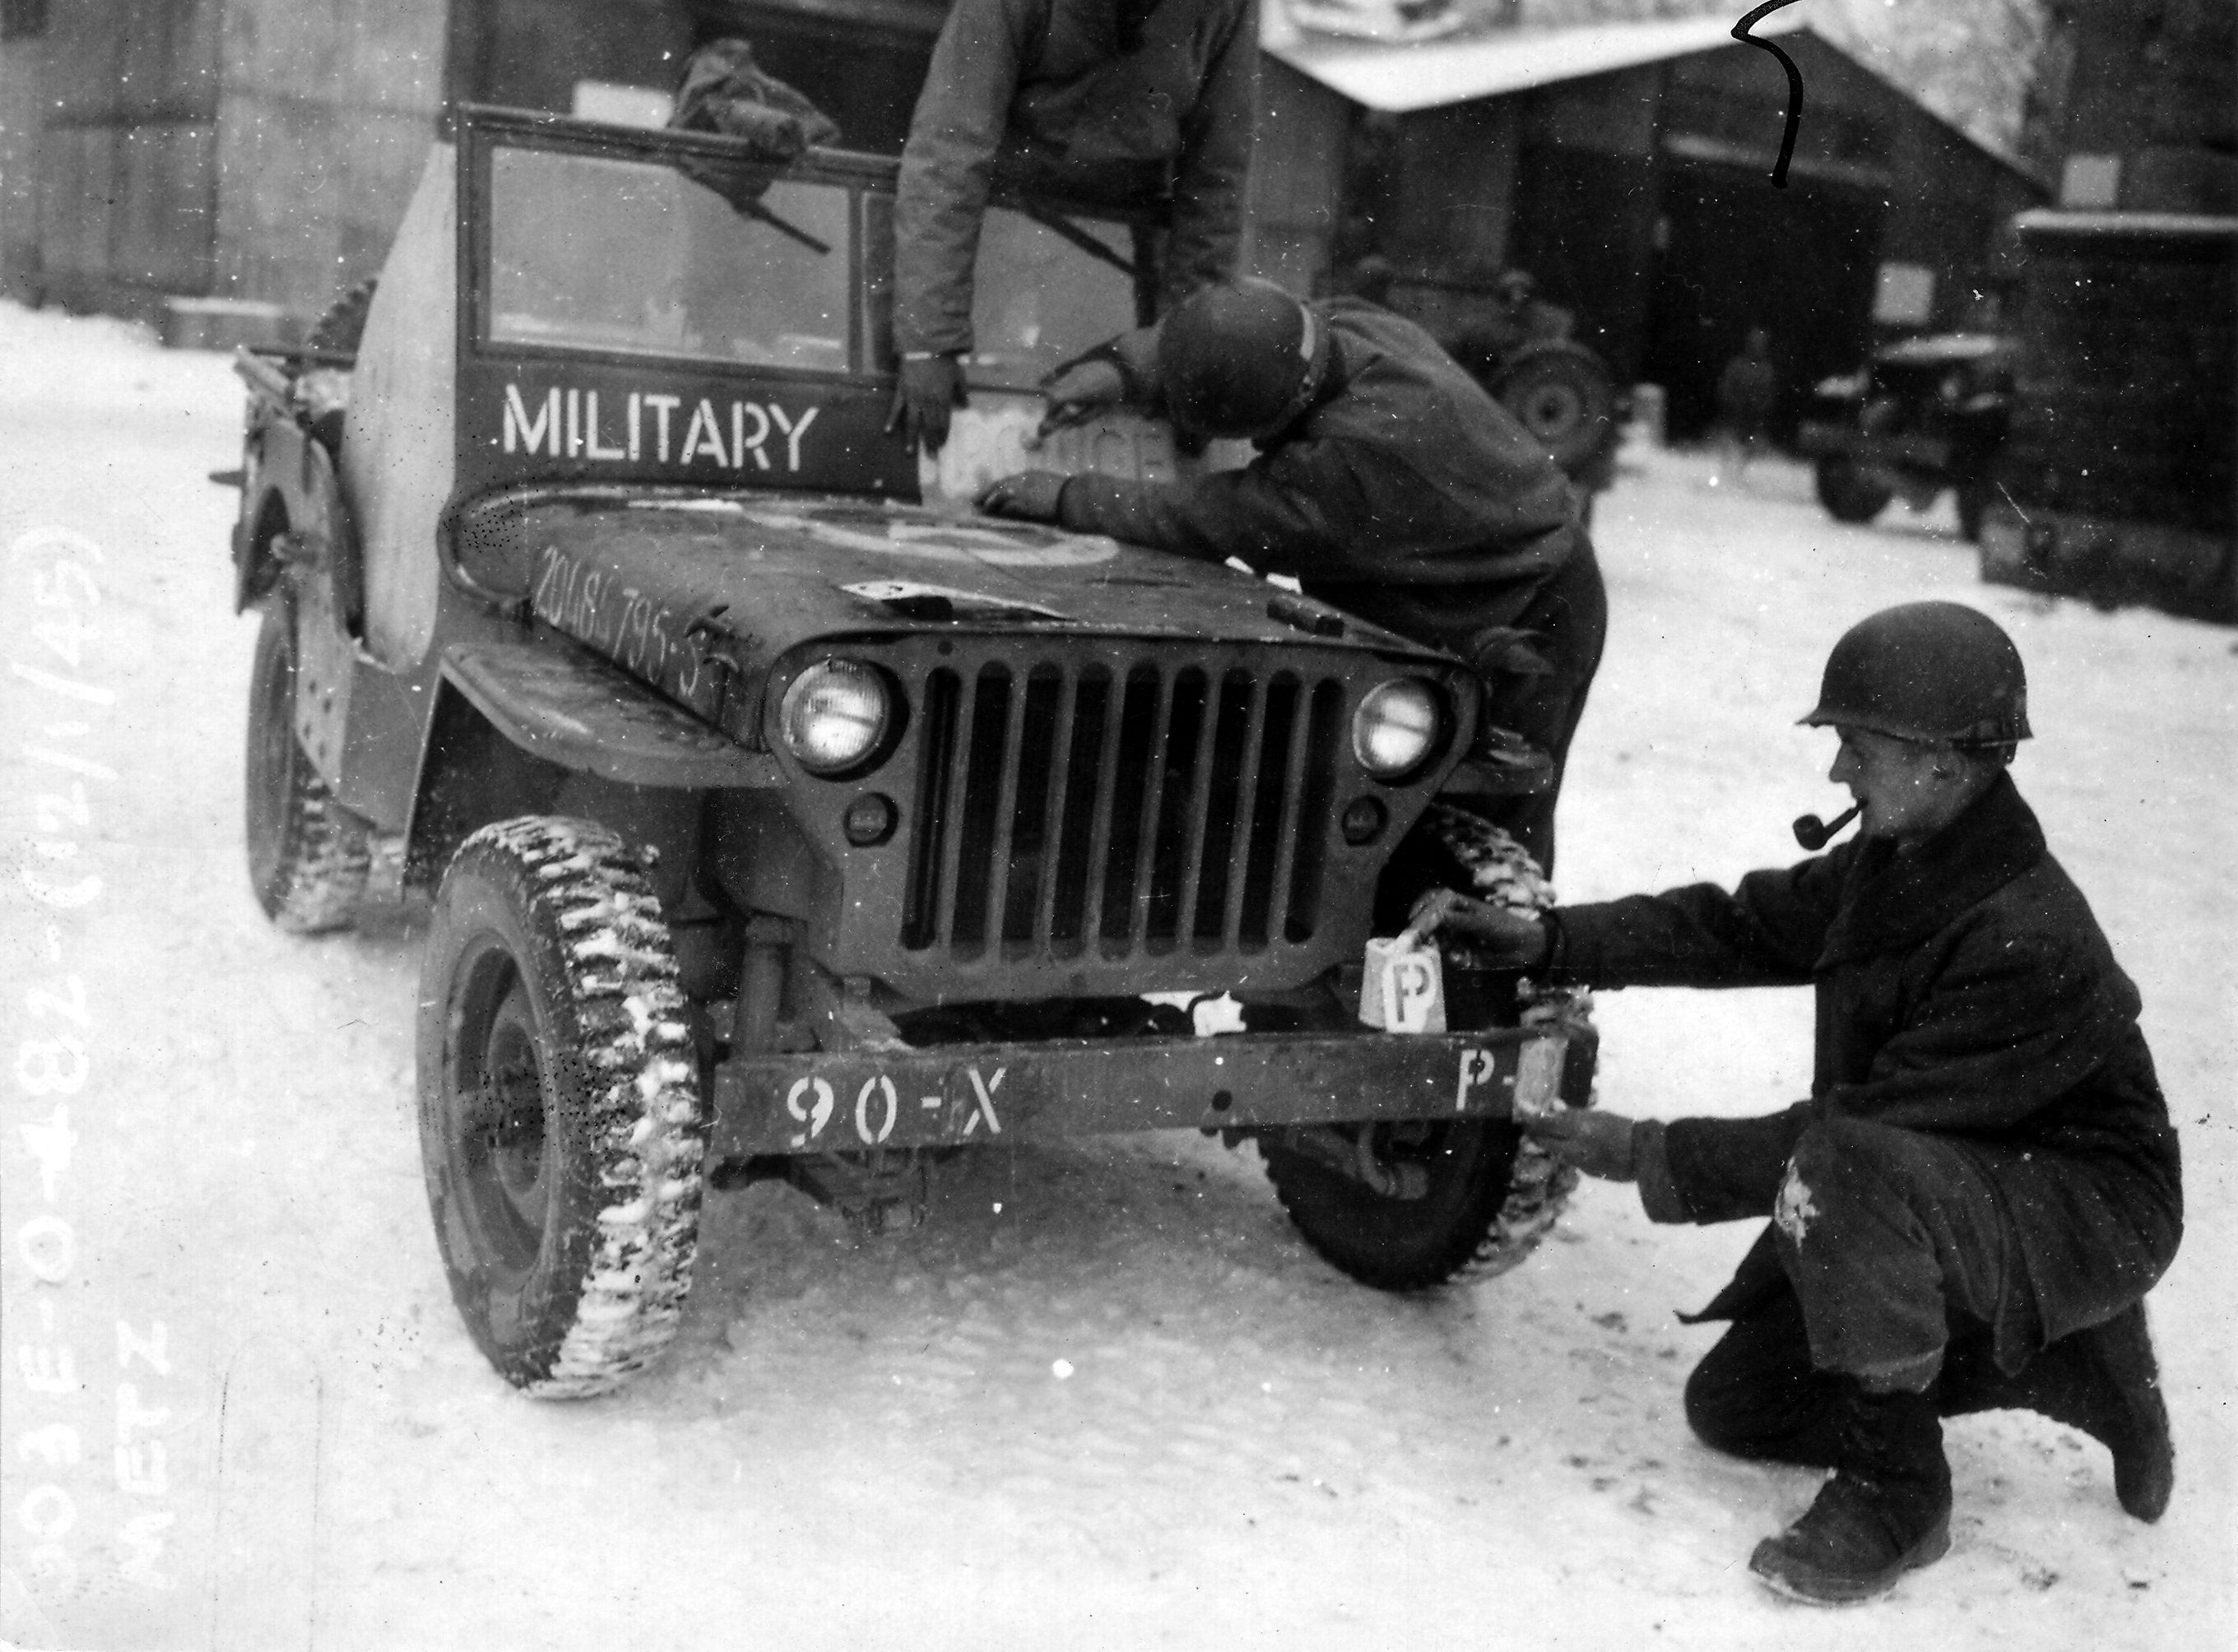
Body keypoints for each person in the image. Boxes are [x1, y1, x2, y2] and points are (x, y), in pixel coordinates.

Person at [1409, 601, 2183, 1604]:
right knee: (1739, 1406)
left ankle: (1897, 1490)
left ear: (1944, 763)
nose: (1836, 774)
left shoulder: (2022, 934)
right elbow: (1737, 927)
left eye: (1856, 748)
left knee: (1847, 1164)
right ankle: (2069, 1358)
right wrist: (1548, 942)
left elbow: (1857, 1139)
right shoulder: (1907, 858)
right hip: (1949, 1180)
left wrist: (1643, 1149)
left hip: (2081, 1205)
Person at [975, 277, 1604, 884]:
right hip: (1481, 567)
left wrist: (1067, 496)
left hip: (1528, 605)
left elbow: (1215, 518)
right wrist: (1126, 367)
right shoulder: (1344, 327)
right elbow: (1227, 327)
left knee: (1481, 829)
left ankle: (1496, 978)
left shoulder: (1357, 459)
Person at [889, 0, 1258, 452]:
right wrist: (930, 343)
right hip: (986, 234)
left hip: (1114, 258)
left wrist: (1191, 362)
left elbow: (1215, 187)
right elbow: (949, 155)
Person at [1713, 326, 1778, 488]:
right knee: (1730, 443)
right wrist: (1732, 403)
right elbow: (1725, 387)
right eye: (1754, 341)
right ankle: (1726, 474)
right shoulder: (1736, 365)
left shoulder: (1767, 369)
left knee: (1751, 447)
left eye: (1760, 342)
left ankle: (1743, 475)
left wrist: (1760, 407)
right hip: (1735, 413)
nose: (1756, 345)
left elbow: (1769, 393)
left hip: (1754, 416)